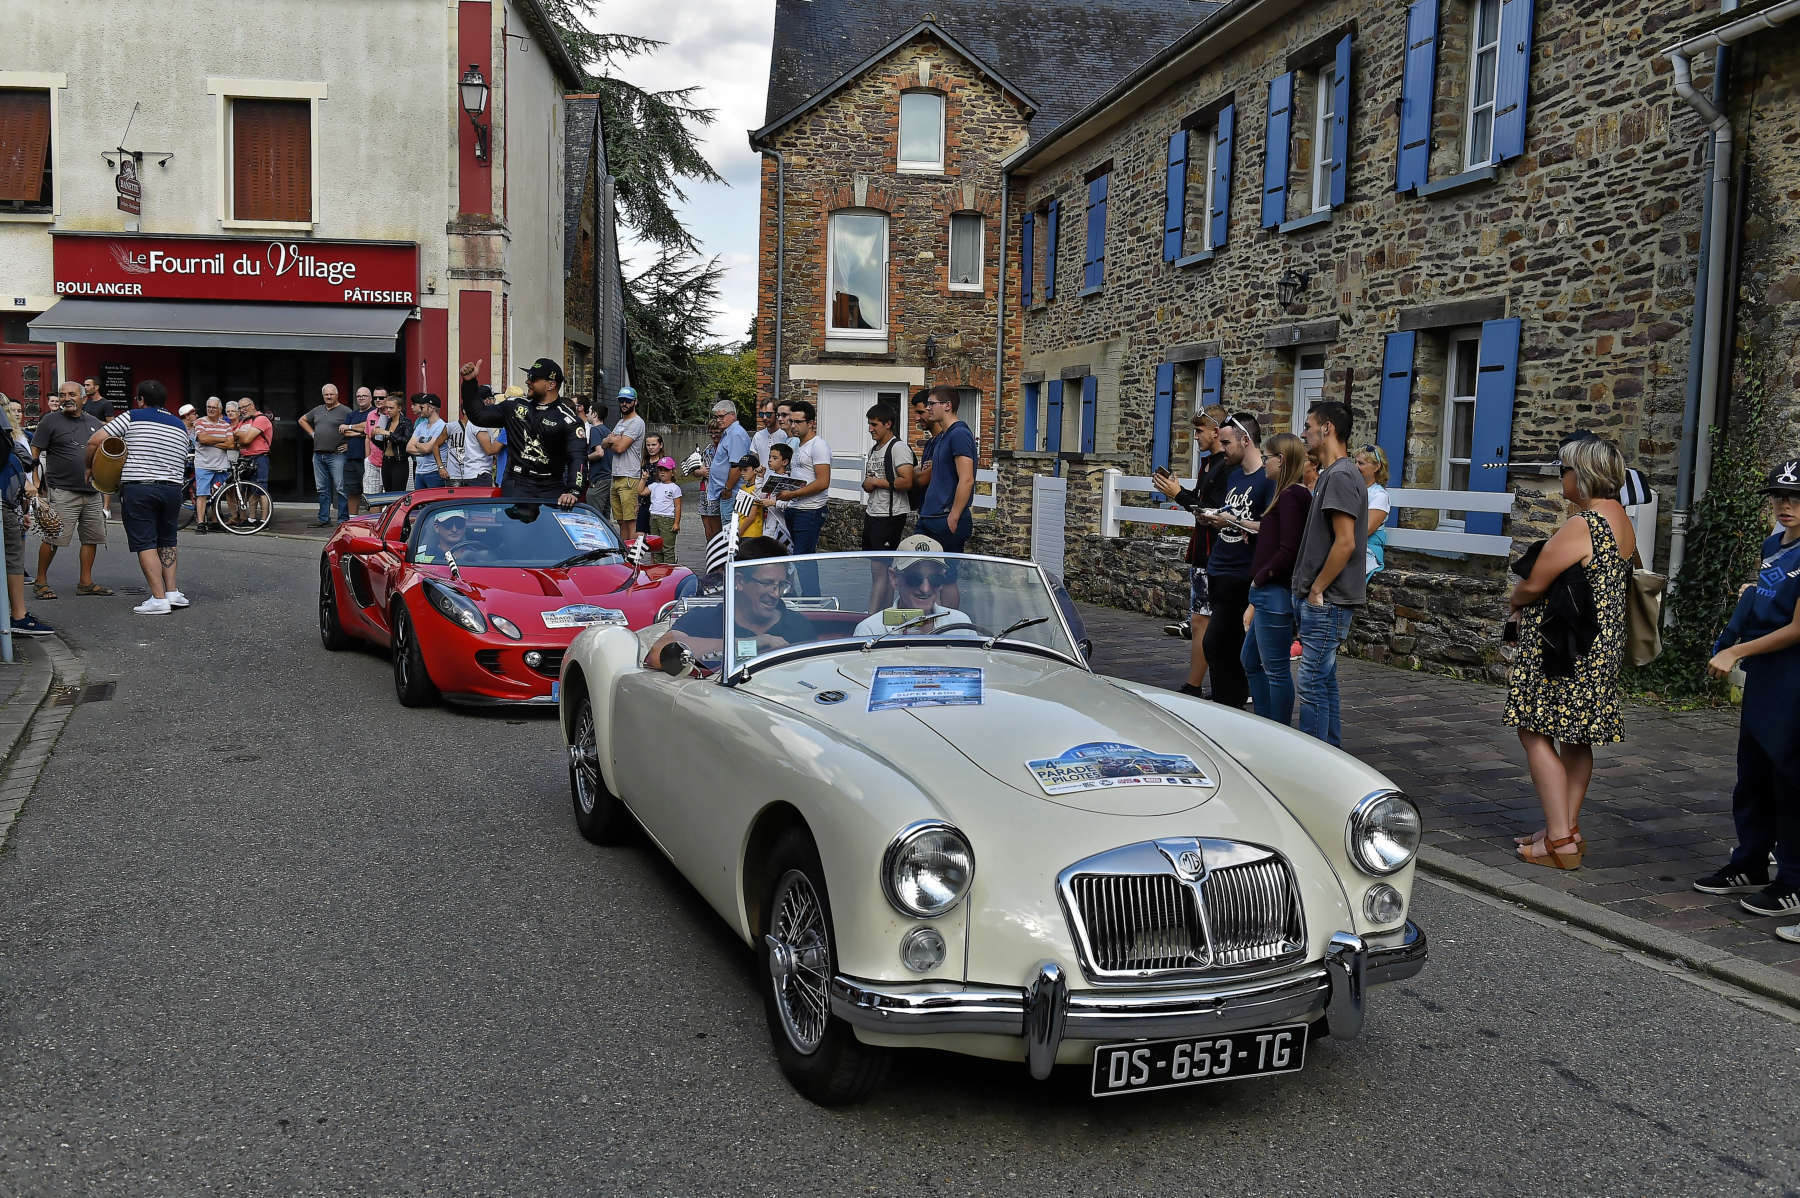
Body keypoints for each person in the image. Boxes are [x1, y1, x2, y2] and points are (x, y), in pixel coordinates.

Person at [1503, 434, 1635, 870]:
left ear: (1583, 474)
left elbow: (1536, 583)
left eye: (1564, 469)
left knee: (1532, 728)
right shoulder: (1620, 520)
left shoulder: (1584, 524)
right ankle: (1566, 829)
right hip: (1600, 645)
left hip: (1566, 648)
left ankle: (1559, 840)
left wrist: (1516, 601)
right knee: (1576, 737)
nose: (1561, 477)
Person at [1694, 458, 1800, 932]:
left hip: (1794, 677)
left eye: (1796, 498)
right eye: (1779, 497)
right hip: (1765, 676)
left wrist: (1735, 650)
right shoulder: (1774, 544)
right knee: (1753, 771)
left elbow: (1798, 629)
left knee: (1790, 777)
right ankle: (1752, 860)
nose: (1785, 506)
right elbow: (1767, 596)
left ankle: (1794, 879)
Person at [1291, 401, 1369, 745]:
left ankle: (1314, 760)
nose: (1304, 432)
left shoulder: (1339, 475)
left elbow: (1346, 542)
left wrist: (1317, 589)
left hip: (1329, 600)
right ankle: (1331, 753)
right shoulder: (1332, 474)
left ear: (1328, 429)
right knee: (1323, 680)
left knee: (1310, 681)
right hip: (1325, 599)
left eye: (1309, 425)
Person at [87, 380, 191, 614]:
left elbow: (95, 441)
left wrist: (88, 467)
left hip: (140, 487)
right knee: (167, 539)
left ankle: (158, 598)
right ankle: (172, 592)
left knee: (145, 542)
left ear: (141, 399)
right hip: (173, 488)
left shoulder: (133, 416)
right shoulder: (180, 425)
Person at [1153, 406, 1231, 697]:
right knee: (1201, 621)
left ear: (1216, 432)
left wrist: (1177, 494)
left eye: (1199, 431)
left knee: (1206, 622)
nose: (1195, 436)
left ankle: (1199, 685)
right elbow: (1200, 501)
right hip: (1202, 552)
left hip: (1216, 553)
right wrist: (1179, 491)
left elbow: (1209, 510)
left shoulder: (1225, 467)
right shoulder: (1208, 464)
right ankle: (1196, 684)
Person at [647, 535, 815, 667]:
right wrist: (753, 644)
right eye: (767, 583)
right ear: (739, 581)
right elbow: (657, 654)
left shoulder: (798, 626)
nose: (776, 594)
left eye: (781, 585)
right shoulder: (704, 618)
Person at [1198, 414, 1271, 711]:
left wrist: (1234, 520)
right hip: (1220, 568)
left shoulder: (1266, 479)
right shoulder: (1235, 476)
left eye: (1227, 442)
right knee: (1220, 648)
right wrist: (1217, 520)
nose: (1222, 447)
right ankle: (1224, 705)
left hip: (1243, 574)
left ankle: (1231, 708)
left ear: (1246, 440)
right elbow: (1232, 520)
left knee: (1219, 645)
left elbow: (1269, 527)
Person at [1241, 432, 1311, 725]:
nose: (1264, 463)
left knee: (1277, 669)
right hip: (1265, 592)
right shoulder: (1284, 495)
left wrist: (1261, 577)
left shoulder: (1293, 495)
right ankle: (1265, 722)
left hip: (1273, 593)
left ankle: (1277, 729)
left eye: (1268, 457)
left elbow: (1289, 549)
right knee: (1250, 660)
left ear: (1281, 461)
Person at [459, 359, 587, 506]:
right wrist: (469, 383)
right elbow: (479, 416)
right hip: (516, 485)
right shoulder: (514, 406)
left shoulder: (568, 420)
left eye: (533, 378)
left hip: (551, 488)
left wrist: (573, 490)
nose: (527, 381)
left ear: (551, 385)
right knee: (512, 528)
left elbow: (578, 458)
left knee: (548, 529)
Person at [31, 380, 110, 600]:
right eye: (62, 395)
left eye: (71, 395)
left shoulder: (95, 423)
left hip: (92, 491)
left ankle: (85, 582)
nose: (66, 399)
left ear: (83, 398)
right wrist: (36, 480)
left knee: (92, 538)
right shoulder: (50, 421)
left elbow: (104, 454)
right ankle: (41, 582)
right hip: (63, 490)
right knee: (53, 536)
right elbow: (35, 450)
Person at [765, 398, 830, 594]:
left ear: (810, 423)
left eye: (797, 422)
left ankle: (813, 599)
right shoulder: (798, 446)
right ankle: (802, 598)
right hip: (795, 508)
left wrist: (792, 494)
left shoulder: (818, 446)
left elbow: (822, 482)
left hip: (810, 510)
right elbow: (800, 477)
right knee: (796, 557)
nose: (793, 425)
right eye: (791, 421)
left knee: (804, 558)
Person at [852, 536, 977, 638]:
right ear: (894, 578)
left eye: (935, 579)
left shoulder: (961, 626)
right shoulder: (871, 631)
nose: (925, 589)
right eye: (914, 579)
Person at [0, 401, 53, 637]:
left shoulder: (19, 435)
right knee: (13, 557)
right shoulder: (6, 437)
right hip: (5, 498)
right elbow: (11, 464)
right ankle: (18, 617)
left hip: (12, 499)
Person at [862, 402, 915, 612]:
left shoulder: (898, 448)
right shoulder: (875, 449)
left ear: (888, 424)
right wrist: (868, 484)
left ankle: (872, 616)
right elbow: (873, 480)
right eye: (869, 424)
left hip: (890, 515)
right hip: (874, 512)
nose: (870, 429)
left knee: (880, 570)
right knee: (880, 570)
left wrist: (876, 483)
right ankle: (885, 615)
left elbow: (907, 481)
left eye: (874, 424)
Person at [916, 386, 976, 555]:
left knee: (946, 577)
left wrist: (954, 516)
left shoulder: (959, 434)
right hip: (929, 517)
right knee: (914, 573)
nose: (928, 408)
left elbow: (967, 479)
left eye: (931, 404)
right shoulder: (943, 436)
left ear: (947, 405)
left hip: (945, 519)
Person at [300, 383, 354, 524]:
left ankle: (343, 519)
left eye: (332, 394)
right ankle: (323, 518)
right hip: (318, 455)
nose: (329, 397)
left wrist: (349, 444)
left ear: (337, 395)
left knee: (340, 488)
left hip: (337, 455)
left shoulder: (346, 411)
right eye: (326, 394)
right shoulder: (318, 409)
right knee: (322, 488)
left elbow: (358, 430)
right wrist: (313, 434)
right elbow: (302, 420)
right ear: (323, 396)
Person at [700, 399, 752, 543]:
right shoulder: (729, 433)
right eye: (716, 417)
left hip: (732, 493)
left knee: (731, 533)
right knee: (727, 531)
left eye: (721, 416)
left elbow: (737, 466)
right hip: (728, 493)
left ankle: (732, 564)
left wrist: (727, 489)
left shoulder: (735, 434)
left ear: (732, 415)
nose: (718, 420)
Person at [598, 385, 645, 539]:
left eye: (628, 401)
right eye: (622, 401)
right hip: (616, 475)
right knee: (620, 521)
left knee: (630, 520)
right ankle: (625, 555)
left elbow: (619, 448)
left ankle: (632, 557)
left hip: (629, 477)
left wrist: (612, 440)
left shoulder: (636, 422)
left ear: (635, 402)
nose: (624, 404)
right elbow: (604, 444)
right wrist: (611, 440)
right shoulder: (620, 423)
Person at [192, 397, 234, 533]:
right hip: (203, 465)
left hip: (221, 466)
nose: (210, 409)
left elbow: (231, 444)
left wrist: (210, 440)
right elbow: (202, 439)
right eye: (208, 407)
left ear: (220, 409)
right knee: (202, 494)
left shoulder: (226, 425)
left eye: (213, 407)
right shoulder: (199, 422)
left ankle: (215, 521)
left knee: (216, 495)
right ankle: (201, 523)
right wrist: (222, 439)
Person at [232, 396, 274, 523]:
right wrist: (239, 436)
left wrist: (239, 434)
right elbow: (234, 439)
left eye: (245, 407)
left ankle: (264, 520)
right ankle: (251, 519)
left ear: (252, 405)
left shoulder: (261, 419)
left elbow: (246, 440)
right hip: (245, 458)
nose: (242, 410)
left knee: (261, 489)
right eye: (240, 408)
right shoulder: (243, 421)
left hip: (259, 457)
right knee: (249, 490)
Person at [1354, 444, 1391, 579]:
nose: (1356, 467)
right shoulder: (1353, 490)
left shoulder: (1379, 495)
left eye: (1361, 463)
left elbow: (1366, 530)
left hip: (1366, 549)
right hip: (1347, 543)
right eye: (1356, 462)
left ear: (1376, 467)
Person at [640, 457, 682, 564]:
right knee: (656, 547)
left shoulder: (675, 488)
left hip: (668, 519)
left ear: (672, 472)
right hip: (654, 518)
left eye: (666, 470)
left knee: (667, 548)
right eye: (660, 470)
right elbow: (641, 491)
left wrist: (676, 523)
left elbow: (678, 506)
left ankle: (669, 568)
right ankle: (658, 568)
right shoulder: (654, 486)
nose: (663, 473)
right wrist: (644, 479)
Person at [406, 394, 450, 490]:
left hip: (434, 472)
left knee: (435, 503)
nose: (420, 409)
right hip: (419, 472)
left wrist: (417, 443)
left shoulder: (442, 426)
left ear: (431, 408)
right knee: (420, 503)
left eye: (422, 407)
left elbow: (428, 448)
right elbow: (408, 448)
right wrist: (424, 449)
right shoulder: (421, 425)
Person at [341, 386, 372, 515]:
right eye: (359, 396)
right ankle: (353, 520)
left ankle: (373, 522)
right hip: (351, 459)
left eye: (364, 396)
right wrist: (362, 432)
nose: (361, 398)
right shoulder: (351, 415)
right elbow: (344, 433)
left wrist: (352, 428)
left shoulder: (374, 413)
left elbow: (368, 427)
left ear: (370, 398)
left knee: (371, 493)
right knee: (352, 492)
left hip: (368, 459)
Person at [454, 402, 499, 487]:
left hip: (473, 473)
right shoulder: (479, 423)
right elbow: (489, 450)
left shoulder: (474, 422)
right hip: (479, 474)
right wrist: (503, 437)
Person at [375, 395, 413, 493]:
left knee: (397, 494)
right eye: (387, 407)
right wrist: (373, 436)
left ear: (399, 408)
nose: (388, 410)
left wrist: (388, 433)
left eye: (391, 408)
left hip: (400, 462)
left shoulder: (406, 422)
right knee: (387, 493)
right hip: (386, 461)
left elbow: (406, 441)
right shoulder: (387, 422)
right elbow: (382, 445)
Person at [751, 399, 791, 468]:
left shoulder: (786, 435)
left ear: (776, 414)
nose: (764, 418)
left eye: (768, 414)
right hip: (762, 478)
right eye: (761, 414)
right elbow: (755, 462)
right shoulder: (758, 436)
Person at [583, 401, 610, 504]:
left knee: (594, 514)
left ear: (594, 414)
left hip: (599, 479)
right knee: (605, 517)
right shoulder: (607, 430)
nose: (586, 414)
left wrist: (584, 457)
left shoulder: (595, 430)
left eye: (588, 411)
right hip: (608, 479)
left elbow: (599, 453)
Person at [362, 388, 388, 495]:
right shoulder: (370, 414)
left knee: (389, 498)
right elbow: (367, 437)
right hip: (372, 462)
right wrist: (367, 458)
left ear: (387, 398)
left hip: (389, 462)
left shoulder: (393, 414)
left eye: (381, 398)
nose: (378, 400)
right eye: (375, 398)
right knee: (372, 497)